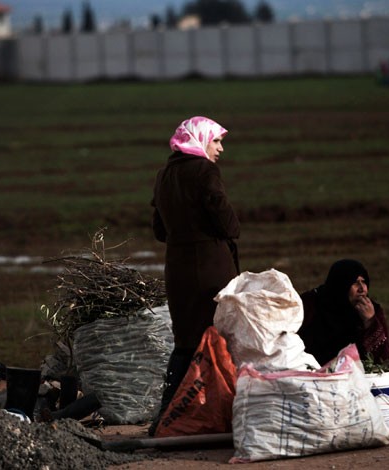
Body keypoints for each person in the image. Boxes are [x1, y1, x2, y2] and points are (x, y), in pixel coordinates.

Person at [149, 116, 240, 435]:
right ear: (200, 140)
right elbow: (225, 219)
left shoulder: (164, 175)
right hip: (211, 268)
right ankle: (229, 411)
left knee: (186, 343)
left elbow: (159, 230)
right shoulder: (205, 171)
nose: (221, 148)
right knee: (222, 338)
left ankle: (165, 417)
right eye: (216, 141)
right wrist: (230, 229)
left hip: (177, 269)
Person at [296, 259, 389, 366]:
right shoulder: (311, 303)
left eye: (364, 281)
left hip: (359, 375)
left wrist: (370, 322)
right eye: (354, 282)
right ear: (340, 285)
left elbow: (383, 359)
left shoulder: (371, 310)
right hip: (313, 373)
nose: (362, 289)